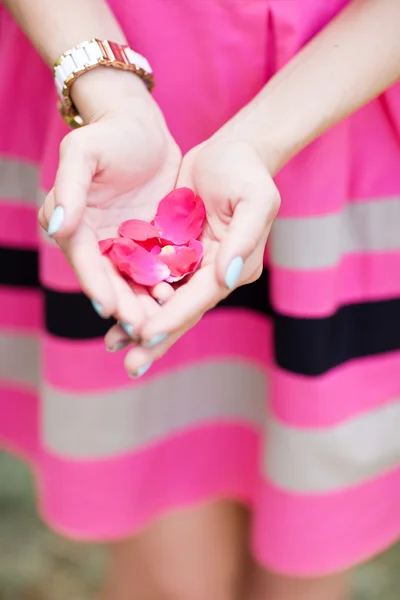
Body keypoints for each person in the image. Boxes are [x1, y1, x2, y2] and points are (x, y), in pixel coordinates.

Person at [0, 0, 399, 599]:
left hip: (343, 110)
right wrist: (110, 92)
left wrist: (261, 139)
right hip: (116, 120)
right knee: (171, 576)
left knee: (305, 574)